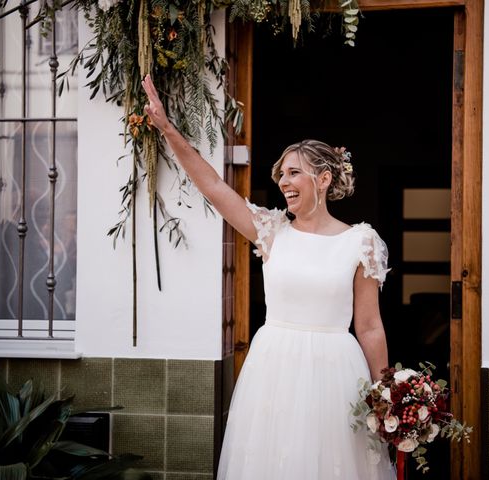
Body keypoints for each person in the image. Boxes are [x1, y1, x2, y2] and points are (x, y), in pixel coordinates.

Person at [142, 75, 394, 480]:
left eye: (294, 173)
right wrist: (167, 128)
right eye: (281, 174)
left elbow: (368, 326)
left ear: (323, 179)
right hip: (274, 369)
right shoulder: (271, 230)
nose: (283, 182)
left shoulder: (361, 242)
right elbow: (213, 187)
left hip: (337, 376)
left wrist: (386, 394)